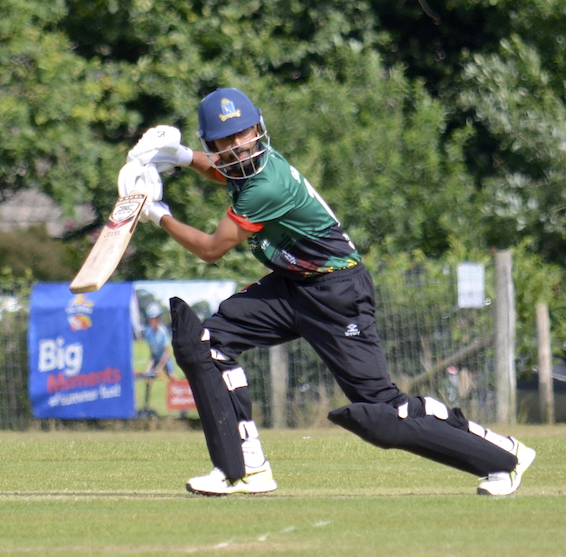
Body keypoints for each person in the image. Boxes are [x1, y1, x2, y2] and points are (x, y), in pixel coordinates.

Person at [117, 87, 536, 496]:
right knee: (207, 342)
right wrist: (179, 157)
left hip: (338, 294)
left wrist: (155, 212)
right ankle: (242, 469)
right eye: (226, 140)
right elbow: (218, 168)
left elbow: (210, 249)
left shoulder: (267, 184)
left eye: (244, 134)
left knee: (384, 410)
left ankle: (503, 455)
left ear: (257, 129)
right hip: (294, 286)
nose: (239, 146)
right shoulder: (244, 168)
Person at [139, 303, 176, 381]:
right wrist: (148, 368)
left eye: (154, 318)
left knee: (172, 376)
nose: (152, 320)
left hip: (164, 358)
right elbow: (152, 353)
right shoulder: (148, 333)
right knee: (148, 377)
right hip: (155, 358)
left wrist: (159, 368)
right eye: (150, 318)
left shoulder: (162, 331)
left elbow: (167, 353)